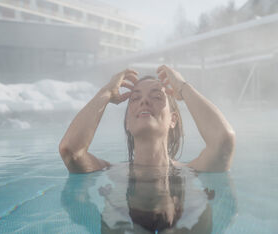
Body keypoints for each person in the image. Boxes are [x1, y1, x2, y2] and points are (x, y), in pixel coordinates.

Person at [59, 65, 235, 173]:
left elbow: (223, 141)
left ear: (173, 119)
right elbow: (70, 151)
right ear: (128, 121)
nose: (144, 101)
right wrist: (106, 92)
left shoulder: (192, 172)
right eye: (135, 98)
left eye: (157, 97)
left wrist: (182, 88)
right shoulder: (110, 172)